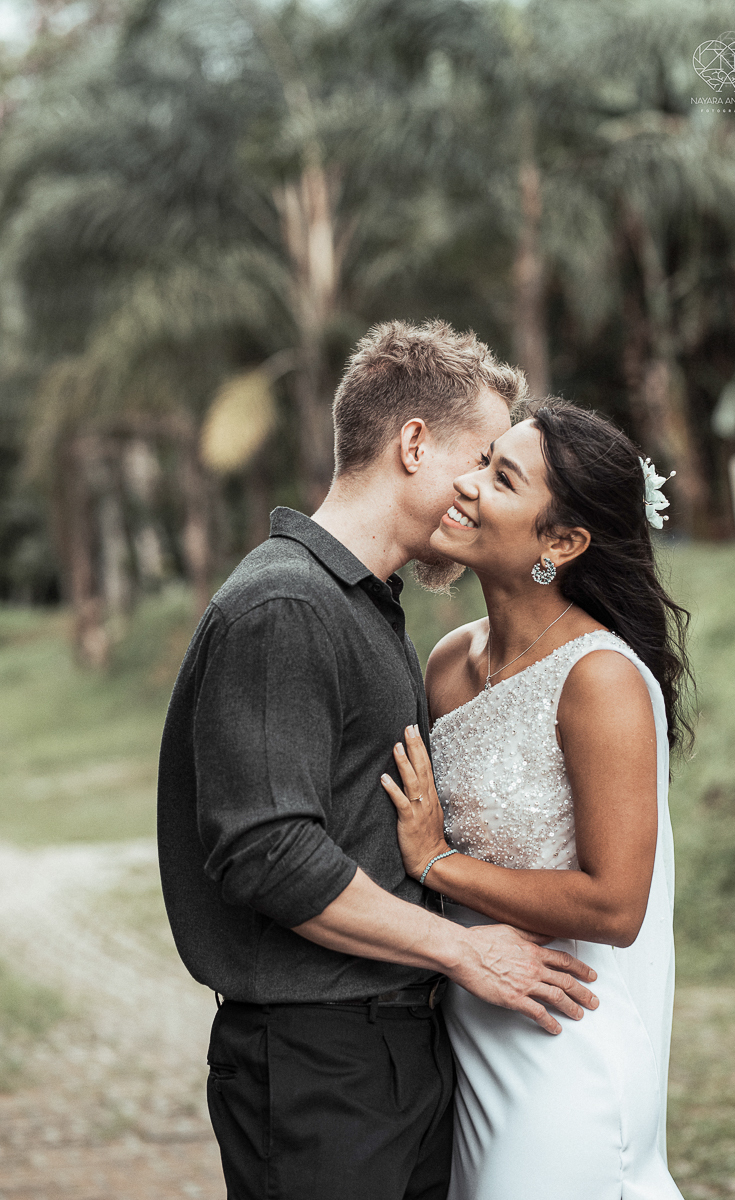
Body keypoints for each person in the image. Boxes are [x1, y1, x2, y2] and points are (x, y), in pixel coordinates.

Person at [157, 324, 599, 1200]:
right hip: (319, 1063)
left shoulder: (363, 609)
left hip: (387, 1050)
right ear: (411, 444)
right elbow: (271, 855)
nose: (478, 494)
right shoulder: (284, 604)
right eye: (479, 460)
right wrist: (464, 954)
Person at [380, 400, 692, 1200]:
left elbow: (615, 906)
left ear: (561, 542)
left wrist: (438, 863)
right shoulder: (449, 663)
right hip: (465, 1037)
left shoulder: (601, 679)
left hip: (564, 1050)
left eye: (501, 477)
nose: (468, 483)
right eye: (482, 462)